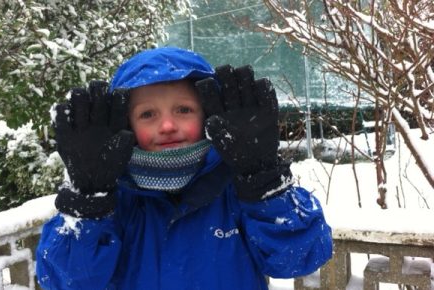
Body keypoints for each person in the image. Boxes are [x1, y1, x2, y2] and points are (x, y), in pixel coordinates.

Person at [36, 46, 332, 290]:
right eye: (148, 114)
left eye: (183, 110)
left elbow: (300, 257)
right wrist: (88, 201)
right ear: (127, 124)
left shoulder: (236, 187)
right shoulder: (115, 200)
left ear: (207, 114)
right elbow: (66, 282)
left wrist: (264, 179)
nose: (167, 126)